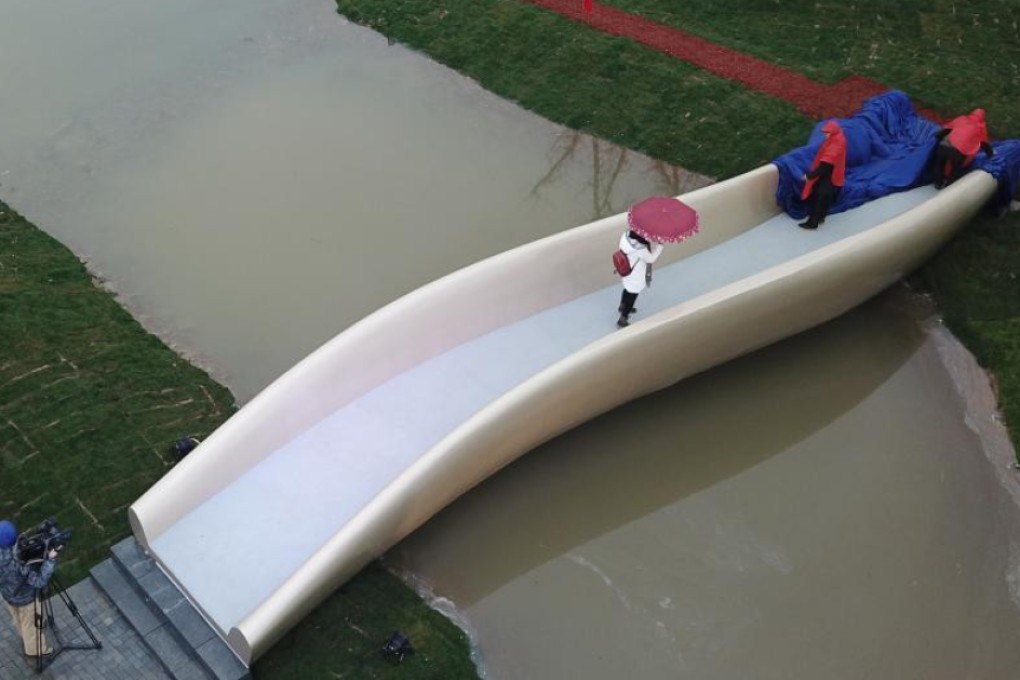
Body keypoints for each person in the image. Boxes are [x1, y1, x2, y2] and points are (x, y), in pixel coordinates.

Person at [0, 520, 57, 659]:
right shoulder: (19, 563)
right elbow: (39, 581)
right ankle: (34, 649)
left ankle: (23, 634)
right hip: (25, 598)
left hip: (9, 595)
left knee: (19, 617)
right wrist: (50, 560)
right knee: (30, 624)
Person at [799, 120, 847, 230]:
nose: (825, 135)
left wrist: (809, 176)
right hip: (832, 173)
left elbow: (825, 166)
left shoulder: (835, 144)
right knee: (824, 197)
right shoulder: (838, 138)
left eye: (827, 133)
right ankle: (821, 217)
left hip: (829, 175)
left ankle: (812, 223)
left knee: (818, 198)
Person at [933, 108, 994, 189]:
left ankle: (937, 183)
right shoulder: (980, 127)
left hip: (943, 146)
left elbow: (947, 129)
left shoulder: (962, 119)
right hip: (957, 152)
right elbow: (984, 143)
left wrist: (937, 136)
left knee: (939, 164)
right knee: (956, 171)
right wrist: (990, 154)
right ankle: (948, 188)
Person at [617, 229, 663, 328]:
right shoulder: (640, 249)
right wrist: (660, 245)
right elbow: (651, 259)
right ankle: (623, 318)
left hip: (626, 270)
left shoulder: (625, 236)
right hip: (635, 276)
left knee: (627, 290)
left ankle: (622, 306)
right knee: (632, 296)